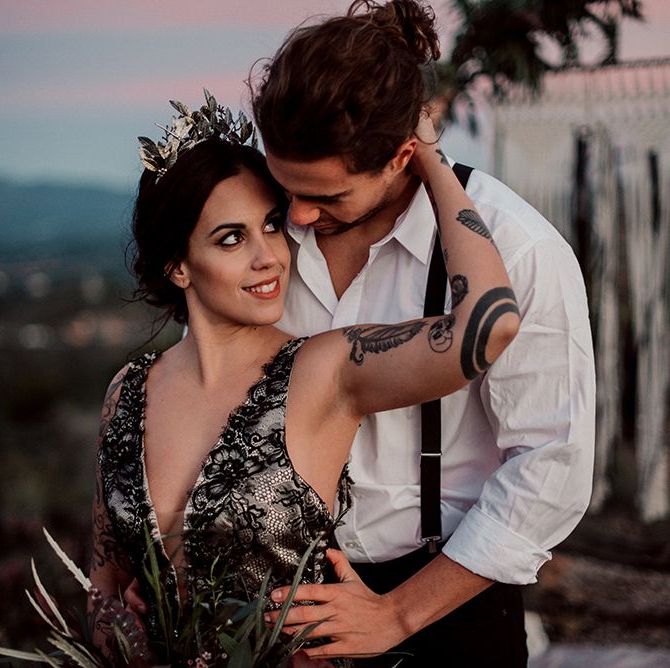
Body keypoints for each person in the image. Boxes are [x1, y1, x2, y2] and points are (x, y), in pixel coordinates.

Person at [89, 96, 519, 666]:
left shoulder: (325, 369)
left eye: (271, 225)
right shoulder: (127, 391)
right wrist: (123, 629)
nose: (269, 256)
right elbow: (102, 584)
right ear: (178, 266)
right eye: (231, 238)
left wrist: (433, 163)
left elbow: (487, 327)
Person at [249, 0, 595, 665]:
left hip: (448, 606)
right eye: (284, 183)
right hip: (281, 613)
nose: (296, 211)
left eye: (326, 195)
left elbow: (552, 464)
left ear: (404, 154)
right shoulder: (265, 231)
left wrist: (398, 614)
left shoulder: (515, 248)